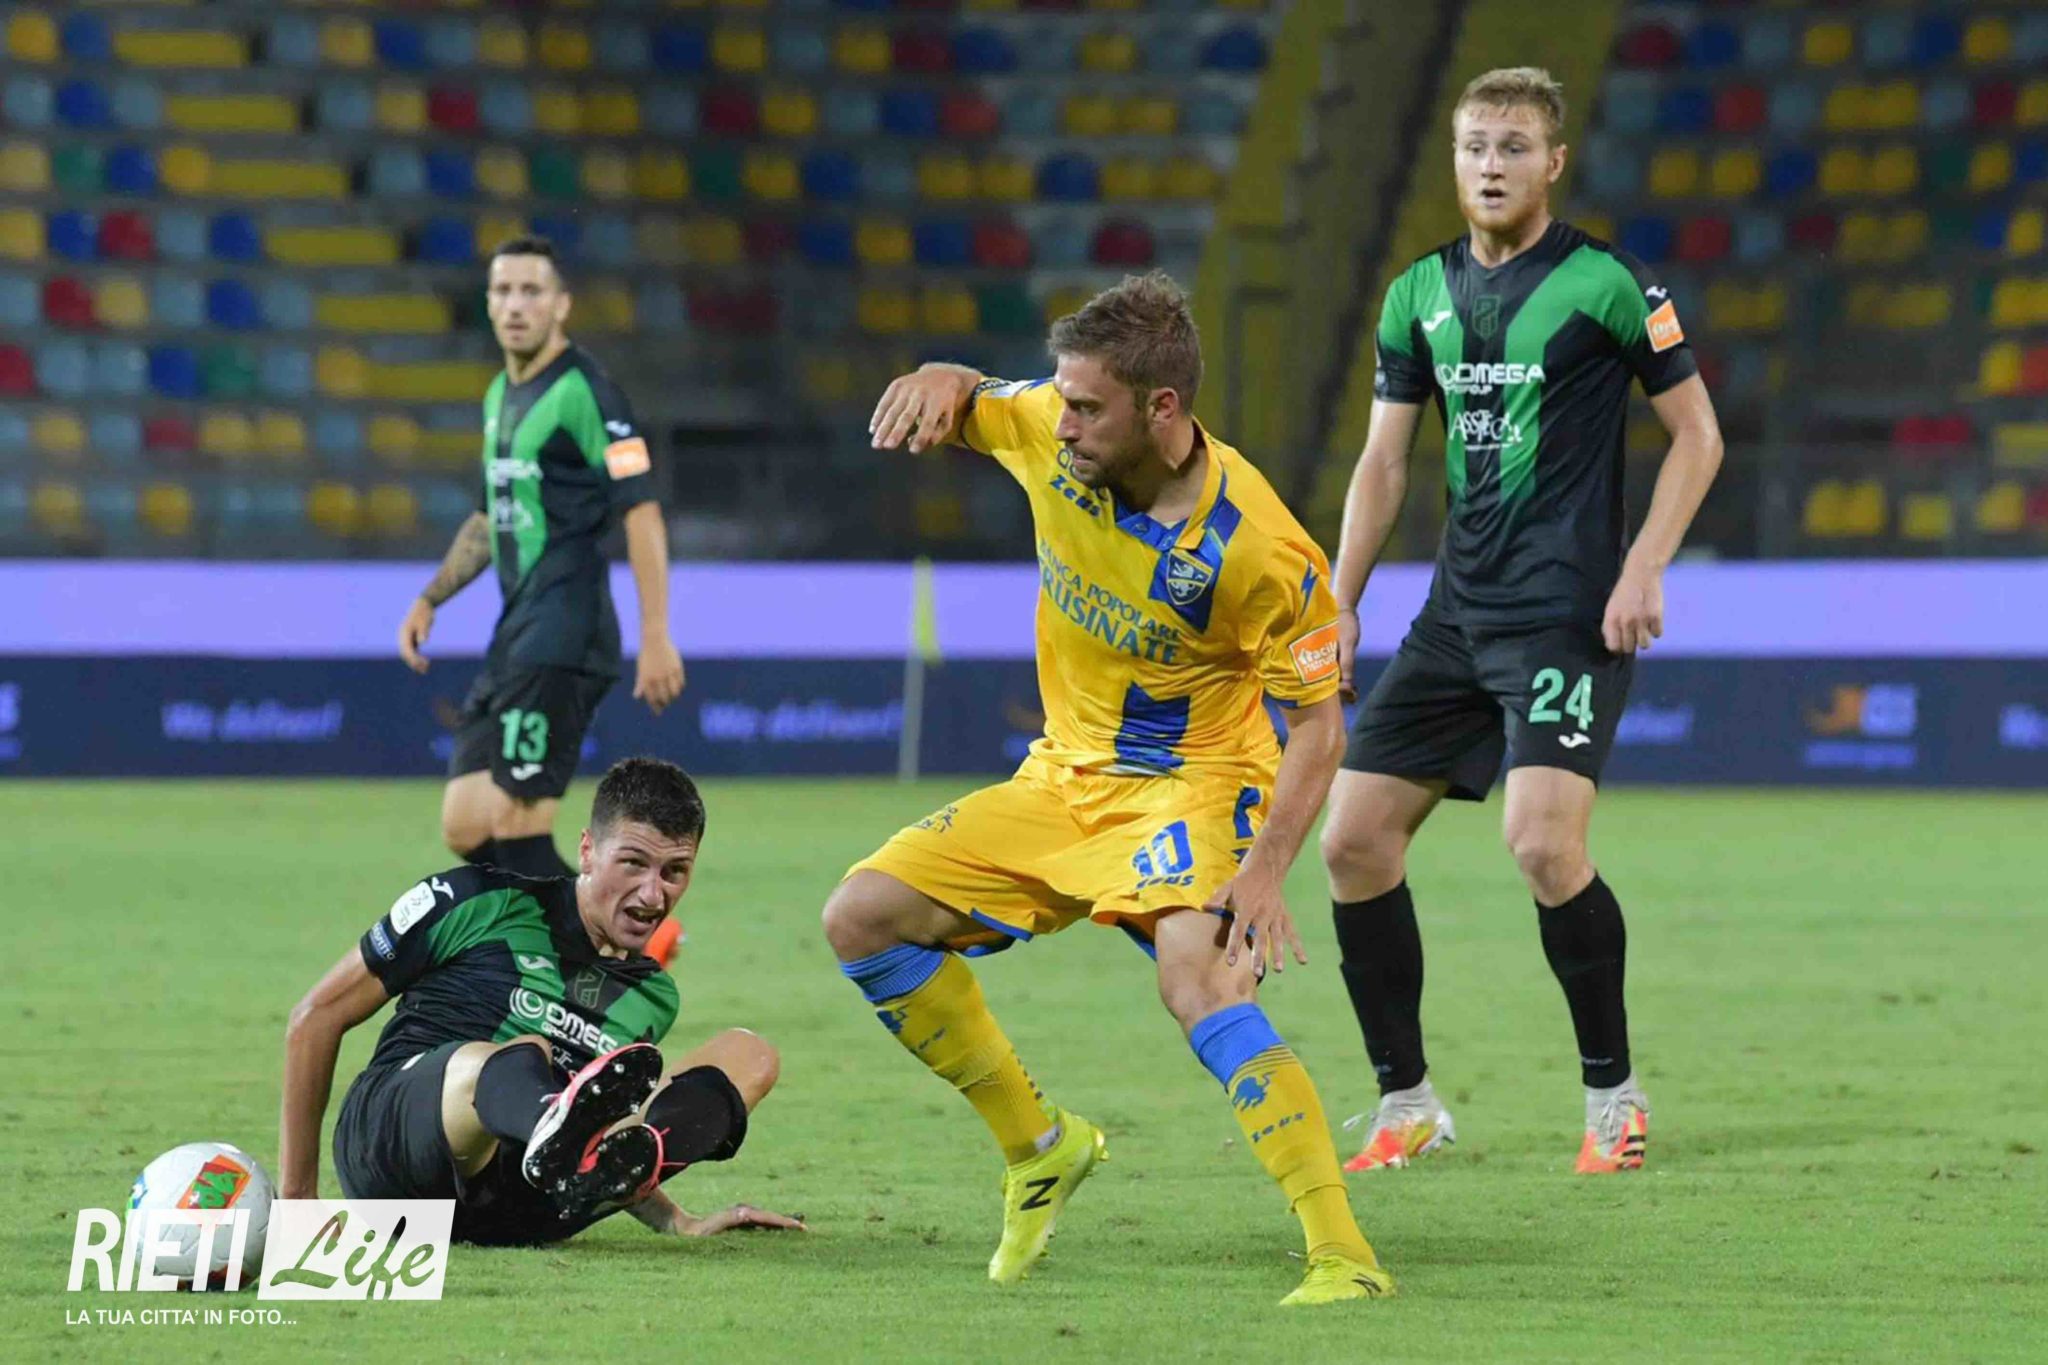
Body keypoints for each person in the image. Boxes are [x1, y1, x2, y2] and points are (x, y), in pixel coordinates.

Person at [823, 273, 1393, 1307]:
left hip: (1193, 784)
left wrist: (1266, 872)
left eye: (1087, 406)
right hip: (1062, 775)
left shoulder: (1261, 549)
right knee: (860, 916)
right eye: (1062, 397)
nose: (1063, 420)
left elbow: (1318, 728)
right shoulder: (1052, 426)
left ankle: (1342, 1255)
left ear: (1161, 408)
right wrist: (939, 373)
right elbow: (974, 398)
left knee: (1199, 982)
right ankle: (1040, 1148)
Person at [1317, 68, 1724, 1175]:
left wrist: (1643, 568)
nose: (1489, 167)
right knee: (1351, 843)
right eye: (1472, 147)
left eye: (1511, 147)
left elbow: (1697, 435)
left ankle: (1613, 1097)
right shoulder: (1417, 294)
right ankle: (1405, 1101)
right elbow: (1383, 462)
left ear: (1552, 164)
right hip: (1455, 616)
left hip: (1565, 616)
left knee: (1541, 843)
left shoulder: (1606, 284)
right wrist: (1339, 601)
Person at [280, 757, 802, 1245]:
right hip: (396, 1164)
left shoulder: (652, 997)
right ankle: (555, 1130)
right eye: (633, 864)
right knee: (523, 1055)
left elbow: (615, 1131)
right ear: (587, 851)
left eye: (674, 872)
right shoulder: (477, 901)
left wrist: (678, 1221)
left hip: (522, 1209)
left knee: (750, 1055)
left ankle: (568, 1148)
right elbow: (316, 1017)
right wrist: (299, 1200)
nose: (652, 894)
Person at [395, 235, 689, 966]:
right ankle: (632, 937)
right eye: (503, 291)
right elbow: (488, 514)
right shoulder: (499, 394)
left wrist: (656, 632)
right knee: (467, 825)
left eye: (531, 291)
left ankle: (614, 963)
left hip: (565, 629)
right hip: (515, 631)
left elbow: (641, 510)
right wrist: (432, 595)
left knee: (519, 823)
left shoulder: (586, 391)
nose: (515, 305)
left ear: (561, 305)